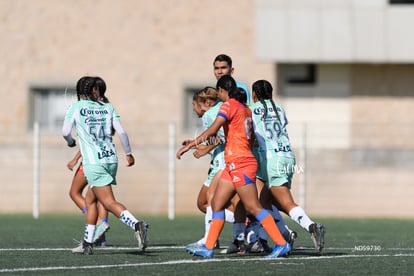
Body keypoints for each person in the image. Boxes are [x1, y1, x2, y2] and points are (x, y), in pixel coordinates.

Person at [176, 75, 290, 259]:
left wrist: (190, 145)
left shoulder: (229, 105)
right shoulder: (245, 109)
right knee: (217, 204)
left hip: (241, 163)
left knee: (253, 207)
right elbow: (243, 137)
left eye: (218, 92)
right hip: (234, 163)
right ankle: (208, 246)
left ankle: (281, 243)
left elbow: (213, 130)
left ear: (222, 90)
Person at [62, 76, 149, 255]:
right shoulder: (107, 107)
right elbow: (122, 132)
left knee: (108, 202)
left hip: (93, 163)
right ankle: (87, 243)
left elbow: (65, 132)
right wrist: (129, 153)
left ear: (79, 91)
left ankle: (137, 225)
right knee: (90, 200)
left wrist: (71, 141)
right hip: (111, 158)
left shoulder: (76, 107)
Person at [250, 79, 326, 253]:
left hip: (272, 159)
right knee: (265, 201)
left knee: (285, 202)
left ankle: (312, 227)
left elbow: (253, 134)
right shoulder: (279, 108)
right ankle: (265, 240)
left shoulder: (252, 110)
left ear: (254, 94)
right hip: (287, 156)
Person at [185, 87, 235, 250]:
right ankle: (215, 236)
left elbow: (222, 138)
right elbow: (218, 138)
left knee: (209, 201)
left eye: (194, 104)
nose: (193, 108)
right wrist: (196, 145)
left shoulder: (209, 114)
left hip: (222, 162)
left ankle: (210, 239)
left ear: (206, 103)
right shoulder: (221, 109)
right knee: (204, 202)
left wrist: (203, 149)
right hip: (223, 160)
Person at [67, 76, 110, 249]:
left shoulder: (89, 107)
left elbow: (88, 140)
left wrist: (76, 158)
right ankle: (101, 232)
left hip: (90, 162)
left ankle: (97, 222)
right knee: (100, 198)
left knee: (74, 192)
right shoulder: (105, 107)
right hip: (106, 158)